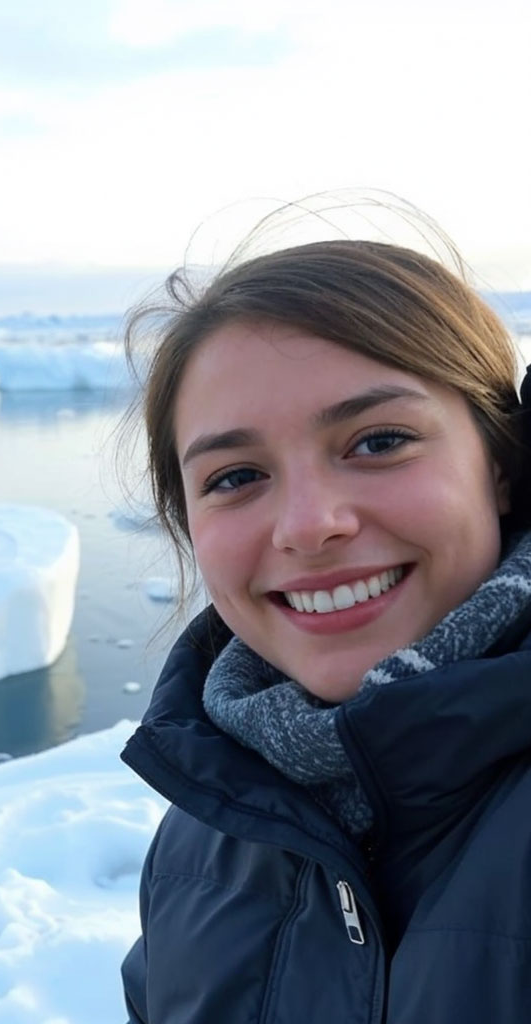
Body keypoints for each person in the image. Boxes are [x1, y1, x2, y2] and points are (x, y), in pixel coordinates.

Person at [119, 233, 531, 1022]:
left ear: (500, 464)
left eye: (379, 441)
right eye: (235, 478)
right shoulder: (199, 835)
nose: (309, 527)